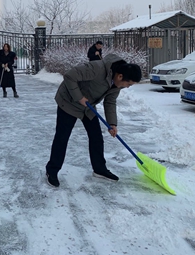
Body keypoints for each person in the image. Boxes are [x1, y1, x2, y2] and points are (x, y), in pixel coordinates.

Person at [45, 54, 142, 188]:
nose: (128, 87)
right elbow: (69, 76)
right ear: (120, 76)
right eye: (128, 84)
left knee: (96, 137)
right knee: (62, 137)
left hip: (88, 107)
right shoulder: (96, 68)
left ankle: (99, 169)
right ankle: (52, 171)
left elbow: (110, 101)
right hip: (68, 102)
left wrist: (112, 123)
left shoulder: (116, 85)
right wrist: (79, 97)